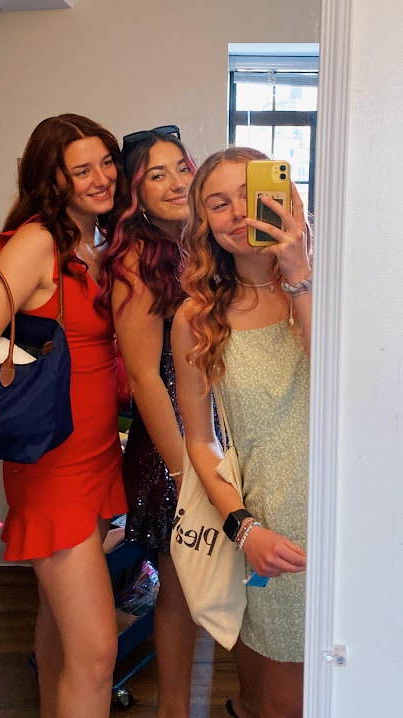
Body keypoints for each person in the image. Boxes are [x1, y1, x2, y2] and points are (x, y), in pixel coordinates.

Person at [0, 113, 128, 718]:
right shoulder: (37, 241)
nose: (102, 178)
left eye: (106, 161)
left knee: (58, 623)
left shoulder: (99, 241)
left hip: (96, 454)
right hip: (52, 466)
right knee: (97, 653)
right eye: (82, 169)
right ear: (54, 180)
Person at [171, 147, 311, 718]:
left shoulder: (330, 284)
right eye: (217, 204)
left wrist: (300, 274)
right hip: (270, 533)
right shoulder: (197, 318)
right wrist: (243, 528)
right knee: (283, 703)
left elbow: (346, 386)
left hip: (354, 519)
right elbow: (199, 442)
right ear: (204, 224)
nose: (235, 215)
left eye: (247, 197)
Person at [98, 125, 197, 718]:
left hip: (210, 432)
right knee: (181, 589)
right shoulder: (139, 256)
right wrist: (186, 472)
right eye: (154, 175)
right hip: (170, 447)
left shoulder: (199, 243)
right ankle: (176, 711)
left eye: (180, 167)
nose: (175, 182)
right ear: (134, 193)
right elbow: (143, 379)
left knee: (205, 580)